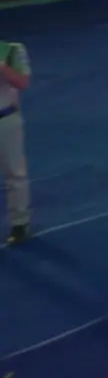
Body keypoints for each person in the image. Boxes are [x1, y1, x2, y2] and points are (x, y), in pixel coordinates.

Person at [0, 40, 30, 245]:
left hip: (5, 119)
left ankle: (20, 223)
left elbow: (23, 83)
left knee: (14, 173)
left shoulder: (11, 49)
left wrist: (1, 66)